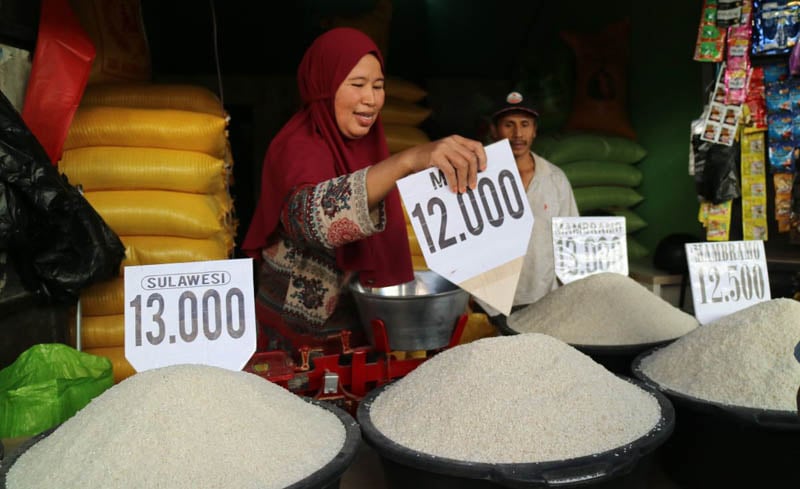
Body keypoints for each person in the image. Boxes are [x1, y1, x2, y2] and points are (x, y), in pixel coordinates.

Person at [242, 27, 486, 357]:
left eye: (378, 86)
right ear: (324, 86)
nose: (371, 99)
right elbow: (312, 220)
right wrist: (409, 159)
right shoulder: (297, 146)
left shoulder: (369, 148)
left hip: (361, 336)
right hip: (299, 348)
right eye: (357, 85)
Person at [475, 91, 579, 317]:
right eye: (508, 125)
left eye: (525, 124)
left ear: (535, 131)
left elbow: (570, 239)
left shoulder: (555, 178)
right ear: (494, 130)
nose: (517, 134)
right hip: (490, 301)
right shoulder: (476, 176)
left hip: (542, 297)